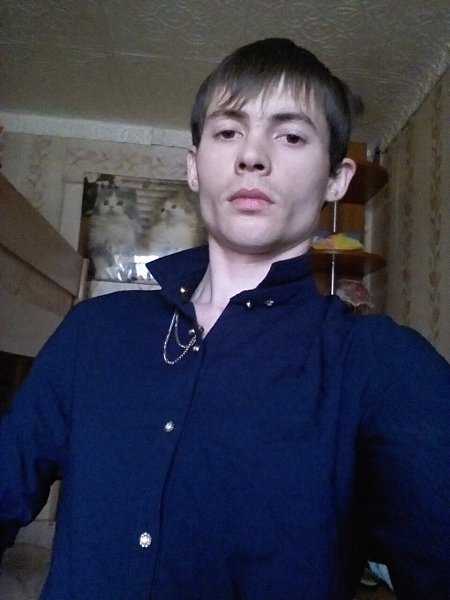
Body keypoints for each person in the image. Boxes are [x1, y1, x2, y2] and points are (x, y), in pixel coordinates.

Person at [1, 38, 449, 600]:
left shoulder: (381, 366)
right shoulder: (92, 331)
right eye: (228, 132)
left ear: (336, 179)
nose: (252, 156)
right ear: (194, 167)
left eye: (290, 136)